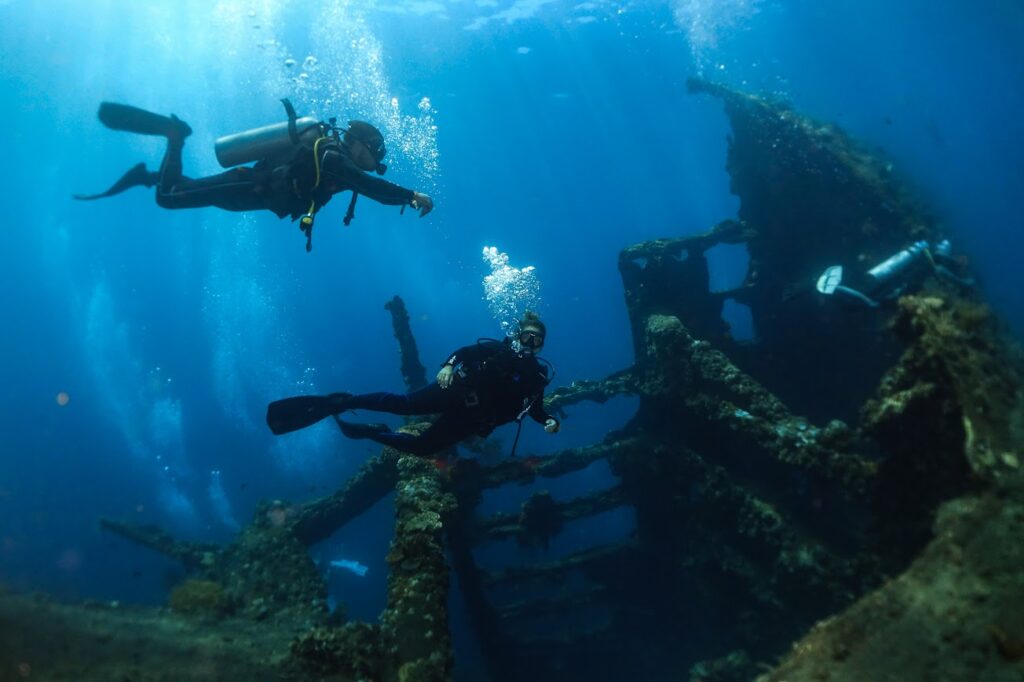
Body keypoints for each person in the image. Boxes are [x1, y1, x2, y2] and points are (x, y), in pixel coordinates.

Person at [74, 101, 434, 250]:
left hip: (253, 192)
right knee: (169, 197)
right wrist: (410, 195)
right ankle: (174, 135)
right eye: (374, 151)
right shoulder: (333, 156)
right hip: (250, 184)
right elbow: (369, 185)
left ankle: (149, 175)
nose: (375, 160)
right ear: (358, 144)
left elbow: (361, 182)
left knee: (180, 190)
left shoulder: (335, 159)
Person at [266, 312, 561, 457]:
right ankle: (344, 402)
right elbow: (463, 352)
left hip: (472, 420)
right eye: (527, 337)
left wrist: (549, 421)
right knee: (402, 405)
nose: (530, 343)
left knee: (422, 448)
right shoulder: (496, 349)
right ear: (518, 336)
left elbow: (536, 409)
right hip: (455, 391)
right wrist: (448, 366)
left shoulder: (537, 376)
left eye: (537, 340)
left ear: (542, 345)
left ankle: (373, 432)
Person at [814, 239, 973, 309]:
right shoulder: (843, 299)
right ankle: (943, 257)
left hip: (880, 281)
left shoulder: (843, 300)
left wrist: (871, 303)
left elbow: (860, 296)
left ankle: (961, 278)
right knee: (921, 268)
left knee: (926, 269)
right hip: (879, 280)